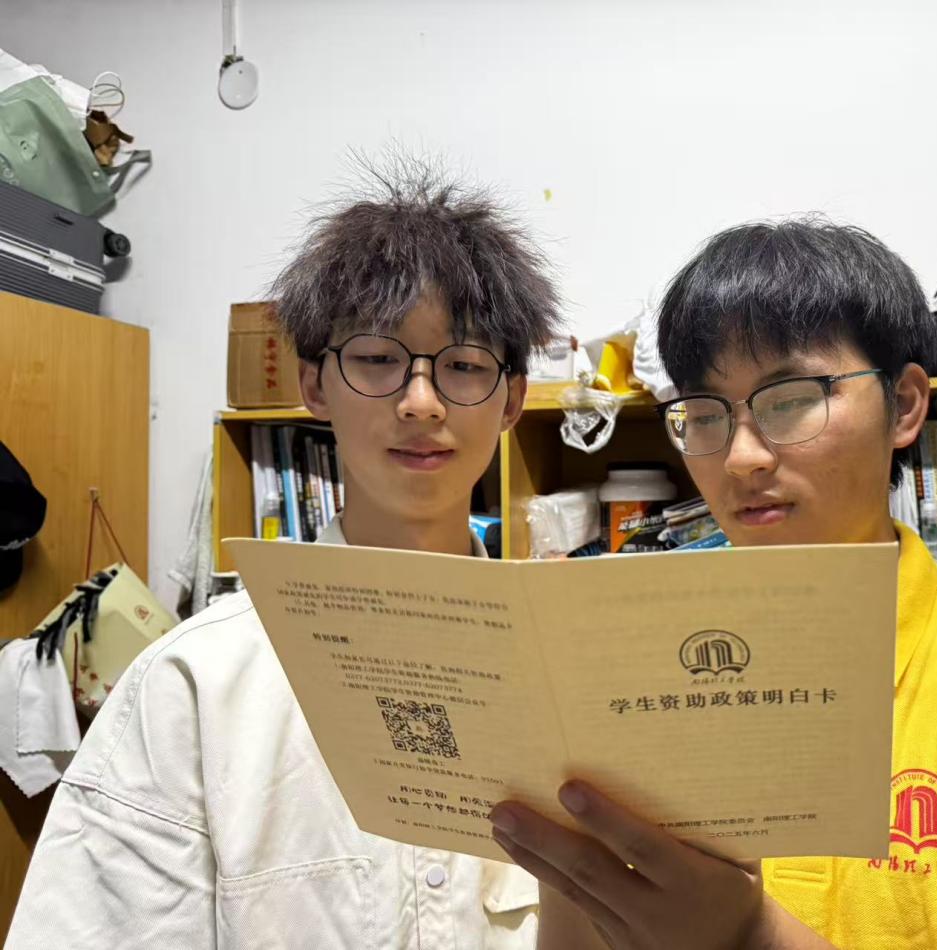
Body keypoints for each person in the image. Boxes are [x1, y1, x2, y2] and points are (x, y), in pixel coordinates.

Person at [486, 219, 937, 949]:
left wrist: (749, 938)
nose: (740, 457)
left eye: (790, 398)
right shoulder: (626, 669)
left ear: (905, 405)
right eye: (704, 414)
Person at [6, 164, 561, 949]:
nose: (421, 402)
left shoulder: (570, 671)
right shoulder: (197, 681)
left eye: (465, 365)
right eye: (378, 359)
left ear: (512, 401)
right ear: (314, 385)